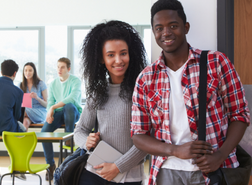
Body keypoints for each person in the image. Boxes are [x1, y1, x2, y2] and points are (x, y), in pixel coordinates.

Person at [130, 0, 250, 185]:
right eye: (159, 28)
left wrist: (220, 154)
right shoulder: (146, 78)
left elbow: (239, 114)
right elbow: (138, 134)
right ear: (154, 32)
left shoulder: (215, 62)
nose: (166, 33)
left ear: (186, 27)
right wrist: (175, 151)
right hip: (166, 172)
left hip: (214, 169)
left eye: (173, 26)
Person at [74, 20, 148, 185]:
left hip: (128, 176)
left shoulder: (141, 91)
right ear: (101, 59)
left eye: (123, 53)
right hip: (94, 172)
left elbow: (147, 140)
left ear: (131, 54)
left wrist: (117, 166)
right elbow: (80, 130)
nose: (118, 60)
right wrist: (86, 141)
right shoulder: (97, 93)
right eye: (110, 55)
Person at [41, 57, 82, 180]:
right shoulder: (53, 83)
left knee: (68, 106)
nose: (59, 69)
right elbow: (50, 101)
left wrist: (53, 107)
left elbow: (72, 98)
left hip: (72, 112)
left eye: (62, 67)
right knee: (44, 133)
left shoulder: (75, 81)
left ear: (68, 69)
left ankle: (69, 137)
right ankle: (50, 165)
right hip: (59, 113)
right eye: (58, 67)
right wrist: (50, 112)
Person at [19, 62, 47, 129]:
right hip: (27, 113)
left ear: (34, 72)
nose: (27, 72)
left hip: (39, 112)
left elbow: (47, 104)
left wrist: (37, 98)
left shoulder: (41, 84)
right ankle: (22, 139)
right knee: (25, 122)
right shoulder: (20, 85)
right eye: (25, 70)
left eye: (30, 70)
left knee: (22, 111)